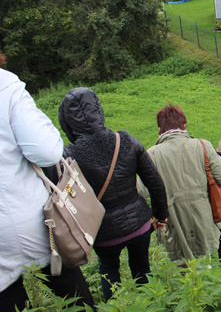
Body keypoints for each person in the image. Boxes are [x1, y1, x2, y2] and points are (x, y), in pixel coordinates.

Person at [0, 65, 94, 312]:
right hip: (27, 215)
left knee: (8, 311)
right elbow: (46, 150)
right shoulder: (6, 86)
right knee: (66, 280)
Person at [59, 87, 169, 301]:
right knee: (142, 269)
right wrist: (160, 214)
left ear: (67, 121)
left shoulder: (69, 155)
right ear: (99, 110)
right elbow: (155, 183)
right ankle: (147, 310)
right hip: (139, 224)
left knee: (109, 269)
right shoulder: (126, 140)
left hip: (103, 231)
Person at [138, 104, 221, 262]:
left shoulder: (152, 154)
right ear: (184, 125)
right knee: (206, 268)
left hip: (173, 223)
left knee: (181, 272)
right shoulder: (202, 146)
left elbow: (141, 191)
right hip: (203, 219)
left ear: (159, 128)